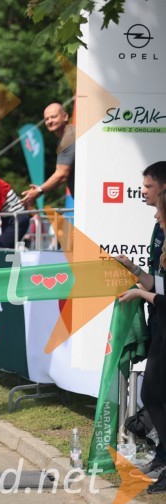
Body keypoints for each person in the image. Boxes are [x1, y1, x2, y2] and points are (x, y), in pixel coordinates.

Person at [117, 162, 166, 486]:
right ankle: (162, 459)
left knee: (153, 392)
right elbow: (158, 283)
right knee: (154, 392)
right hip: (161, 319)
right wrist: (132, 268)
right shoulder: (159, 229)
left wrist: (141, 294)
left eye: (147, 187)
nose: (143, 192)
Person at [22, 102, 76, 205]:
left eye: (53, 117)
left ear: (65, 117)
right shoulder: (65, 137)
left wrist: (39, 191)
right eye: (46, 119)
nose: (49, 121)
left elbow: (61, 174)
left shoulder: (69, 137)